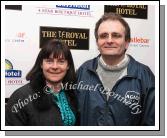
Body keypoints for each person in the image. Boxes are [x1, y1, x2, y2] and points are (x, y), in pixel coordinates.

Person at [76, 12, 155, 126]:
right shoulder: (83, 72)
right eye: (103, 36)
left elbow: (152, 123)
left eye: (116, 35)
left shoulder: (144, 76)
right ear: (97, 43)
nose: (109, 40)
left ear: (127, 42)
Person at [6, 39, 79, 126]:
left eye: (61, 61)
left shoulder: (73, 93)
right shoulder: (20, 96)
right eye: (49, 61)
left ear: (68, 66)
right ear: (41, 64)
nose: (55, 66)